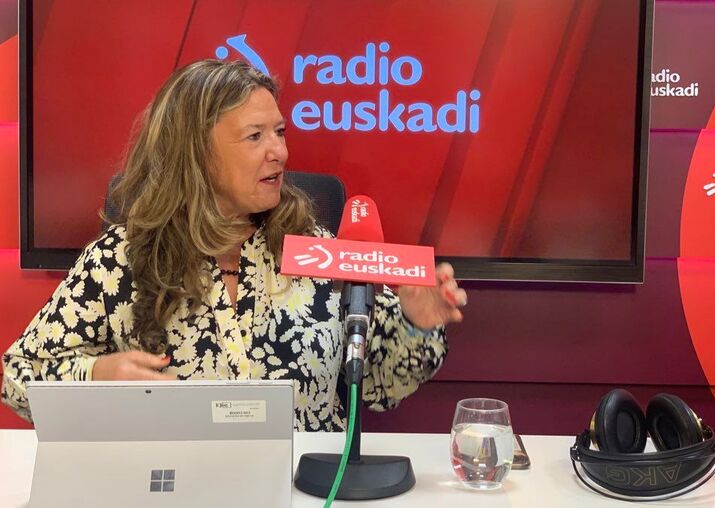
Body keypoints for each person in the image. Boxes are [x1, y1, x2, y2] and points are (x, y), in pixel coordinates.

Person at [1, 59, 467, 431]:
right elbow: (18, 376)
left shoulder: (315, 249)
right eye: (255, 136)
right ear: (196, 153)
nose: (279, 152)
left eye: (280, 132)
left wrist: (415, 325)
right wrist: (95, 376)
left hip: (304, 489)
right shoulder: (120, 259)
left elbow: (378, 387)